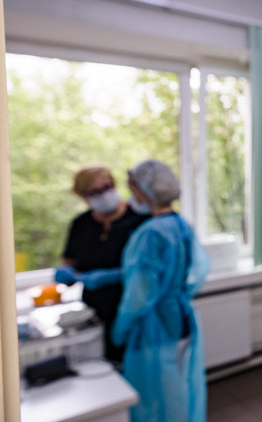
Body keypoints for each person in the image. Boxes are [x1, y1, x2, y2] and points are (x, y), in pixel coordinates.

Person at [111, 159, 210, 422]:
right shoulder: (181, 224)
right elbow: (196, 270)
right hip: (182, 317)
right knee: (179, 384)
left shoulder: (150, 233)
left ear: (143, 192)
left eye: (133, 189)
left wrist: (120, 329)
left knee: (160, 394)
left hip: (157, 326)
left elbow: (139, 294)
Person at [55, 164, 150, 364]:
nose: (104, 195)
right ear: (84, 197)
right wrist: (66, 273)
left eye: (107, 187)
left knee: (134, 366)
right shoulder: (81, 225)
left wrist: (115, 275)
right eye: (95, 192)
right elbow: (69, 261)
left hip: (133, 307)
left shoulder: (140, 219)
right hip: (94, 312)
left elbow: (152, 269)